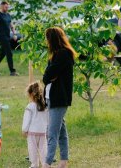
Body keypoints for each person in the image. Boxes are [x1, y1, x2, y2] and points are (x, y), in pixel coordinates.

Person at [42, 27, 76, 168]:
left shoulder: (63, 54)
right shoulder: (56, 55)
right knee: (61, 131)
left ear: (52, 39)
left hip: (59, 97)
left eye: (47, 38)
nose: (46, 41)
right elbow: (48, 76)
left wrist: (49, 76)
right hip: (52, 96)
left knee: (52, 132)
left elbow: (47, 75)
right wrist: (49, 76)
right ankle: (63, 161)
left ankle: (47, 163)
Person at [22, 81, 48, 168]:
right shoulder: (45, 106)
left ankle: (34, 165)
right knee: (43, 149)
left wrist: (24, 130)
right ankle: (45, 164)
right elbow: (48, 119)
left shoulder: (30, 106)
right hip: (43, 131)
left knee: (32, 149)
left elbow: (27, 120)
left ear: (30, 94)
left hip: (32, 132)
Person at [0, 1, 18, 76]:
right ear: (1, 6)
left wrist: (14, 34)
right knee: (9, 53)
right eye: (6, 7)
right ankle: (12, 71)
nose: (7, 8)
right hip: (2, 37)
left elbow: (11, 26)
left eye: (8, 7)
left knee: (2, 55)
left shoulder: (8, 15)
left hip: (8, 37)